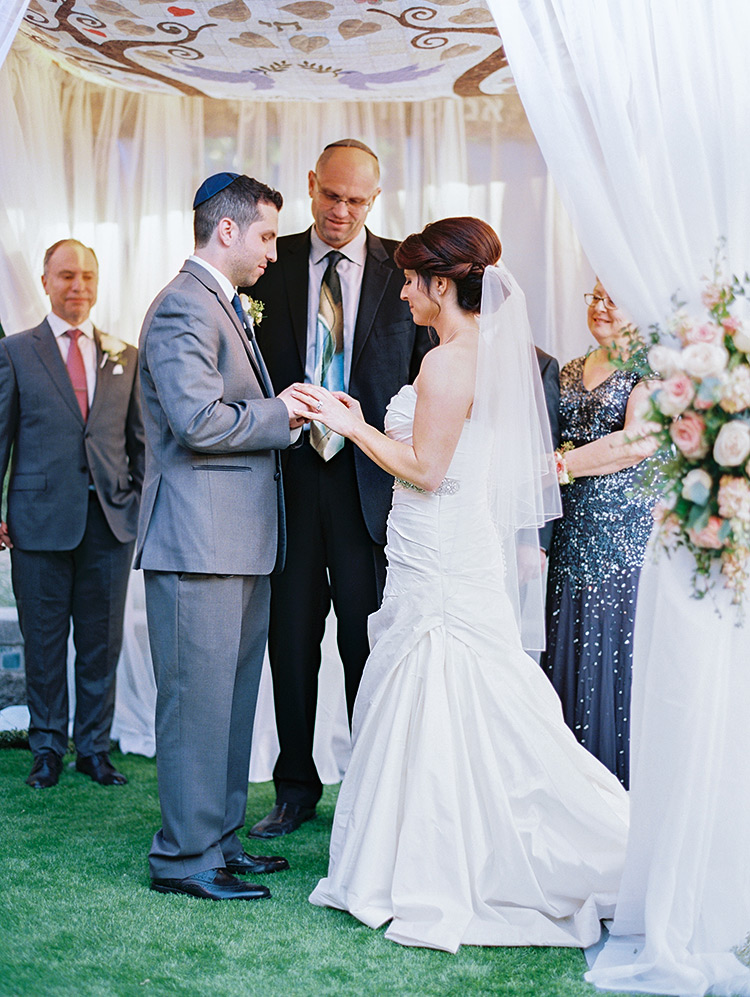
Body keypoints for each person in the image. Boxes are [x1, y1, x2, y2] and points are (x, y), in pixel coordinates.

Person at [299, 217, 629, 953]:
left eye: (412, 280)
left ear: (442, 285)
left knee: (449, 681)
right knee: (454, 691)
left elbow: (426, 469)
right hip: (446, 543)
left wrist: (351, 427)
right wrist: (362, 419)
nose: (404, 293)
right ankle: (433, 845)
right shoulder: (478, 352)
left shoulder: (450, 361)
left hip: (443, 550)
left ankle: (454, 860)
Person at [246, 139, 431, 839]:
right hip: (287, 483)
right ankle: (295, 788)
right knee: (290, 644)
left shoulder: (404, 271)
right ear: (311, 184)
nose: (342, 211)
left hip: (369, 492)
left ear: (375, 199)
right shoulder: (269, 265)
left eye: (357, 200)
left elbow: (426, 373)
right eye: (332, 195)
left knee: (367, 645)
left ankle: (370, 791)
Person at [136, 173, 305, 901]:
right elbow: (198, 421)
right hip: (196, 542)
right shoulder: (184, 304)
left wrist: (284, 412)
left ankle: (220, 842)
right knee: (194, 707)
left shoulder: (221, 303)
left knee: (230, 704)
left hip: (235, 541)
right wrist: (283, 413)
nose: (273, 251)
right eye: (266, 235)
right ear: (227, 229)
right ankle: (183, 859)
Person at [0, 239, 144, 790]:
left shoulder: (124, 355)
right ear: (45, 282)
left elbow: (140, 443)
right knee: (43, 643)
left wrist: (135, 503)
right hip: (37, 523)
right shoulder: (15, 352)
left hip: (110, 524)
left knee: (101, 643)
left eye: (87, 275)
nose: (78, 286)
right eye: (66, 275)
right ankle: (46, 749)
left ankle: (94, 749)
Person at [541, 282, 660, 788]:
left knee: (610, 653)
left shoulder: (655, 370)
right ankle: (567, 788)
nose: (600, 307)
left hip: (621, 540)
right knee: (564, 641)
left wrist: (555, 466)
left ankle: (615, 788)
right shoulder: (570, 368)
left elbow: (636, 442)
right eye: (593, 296)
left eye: (613, 297)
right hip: (570, 532)